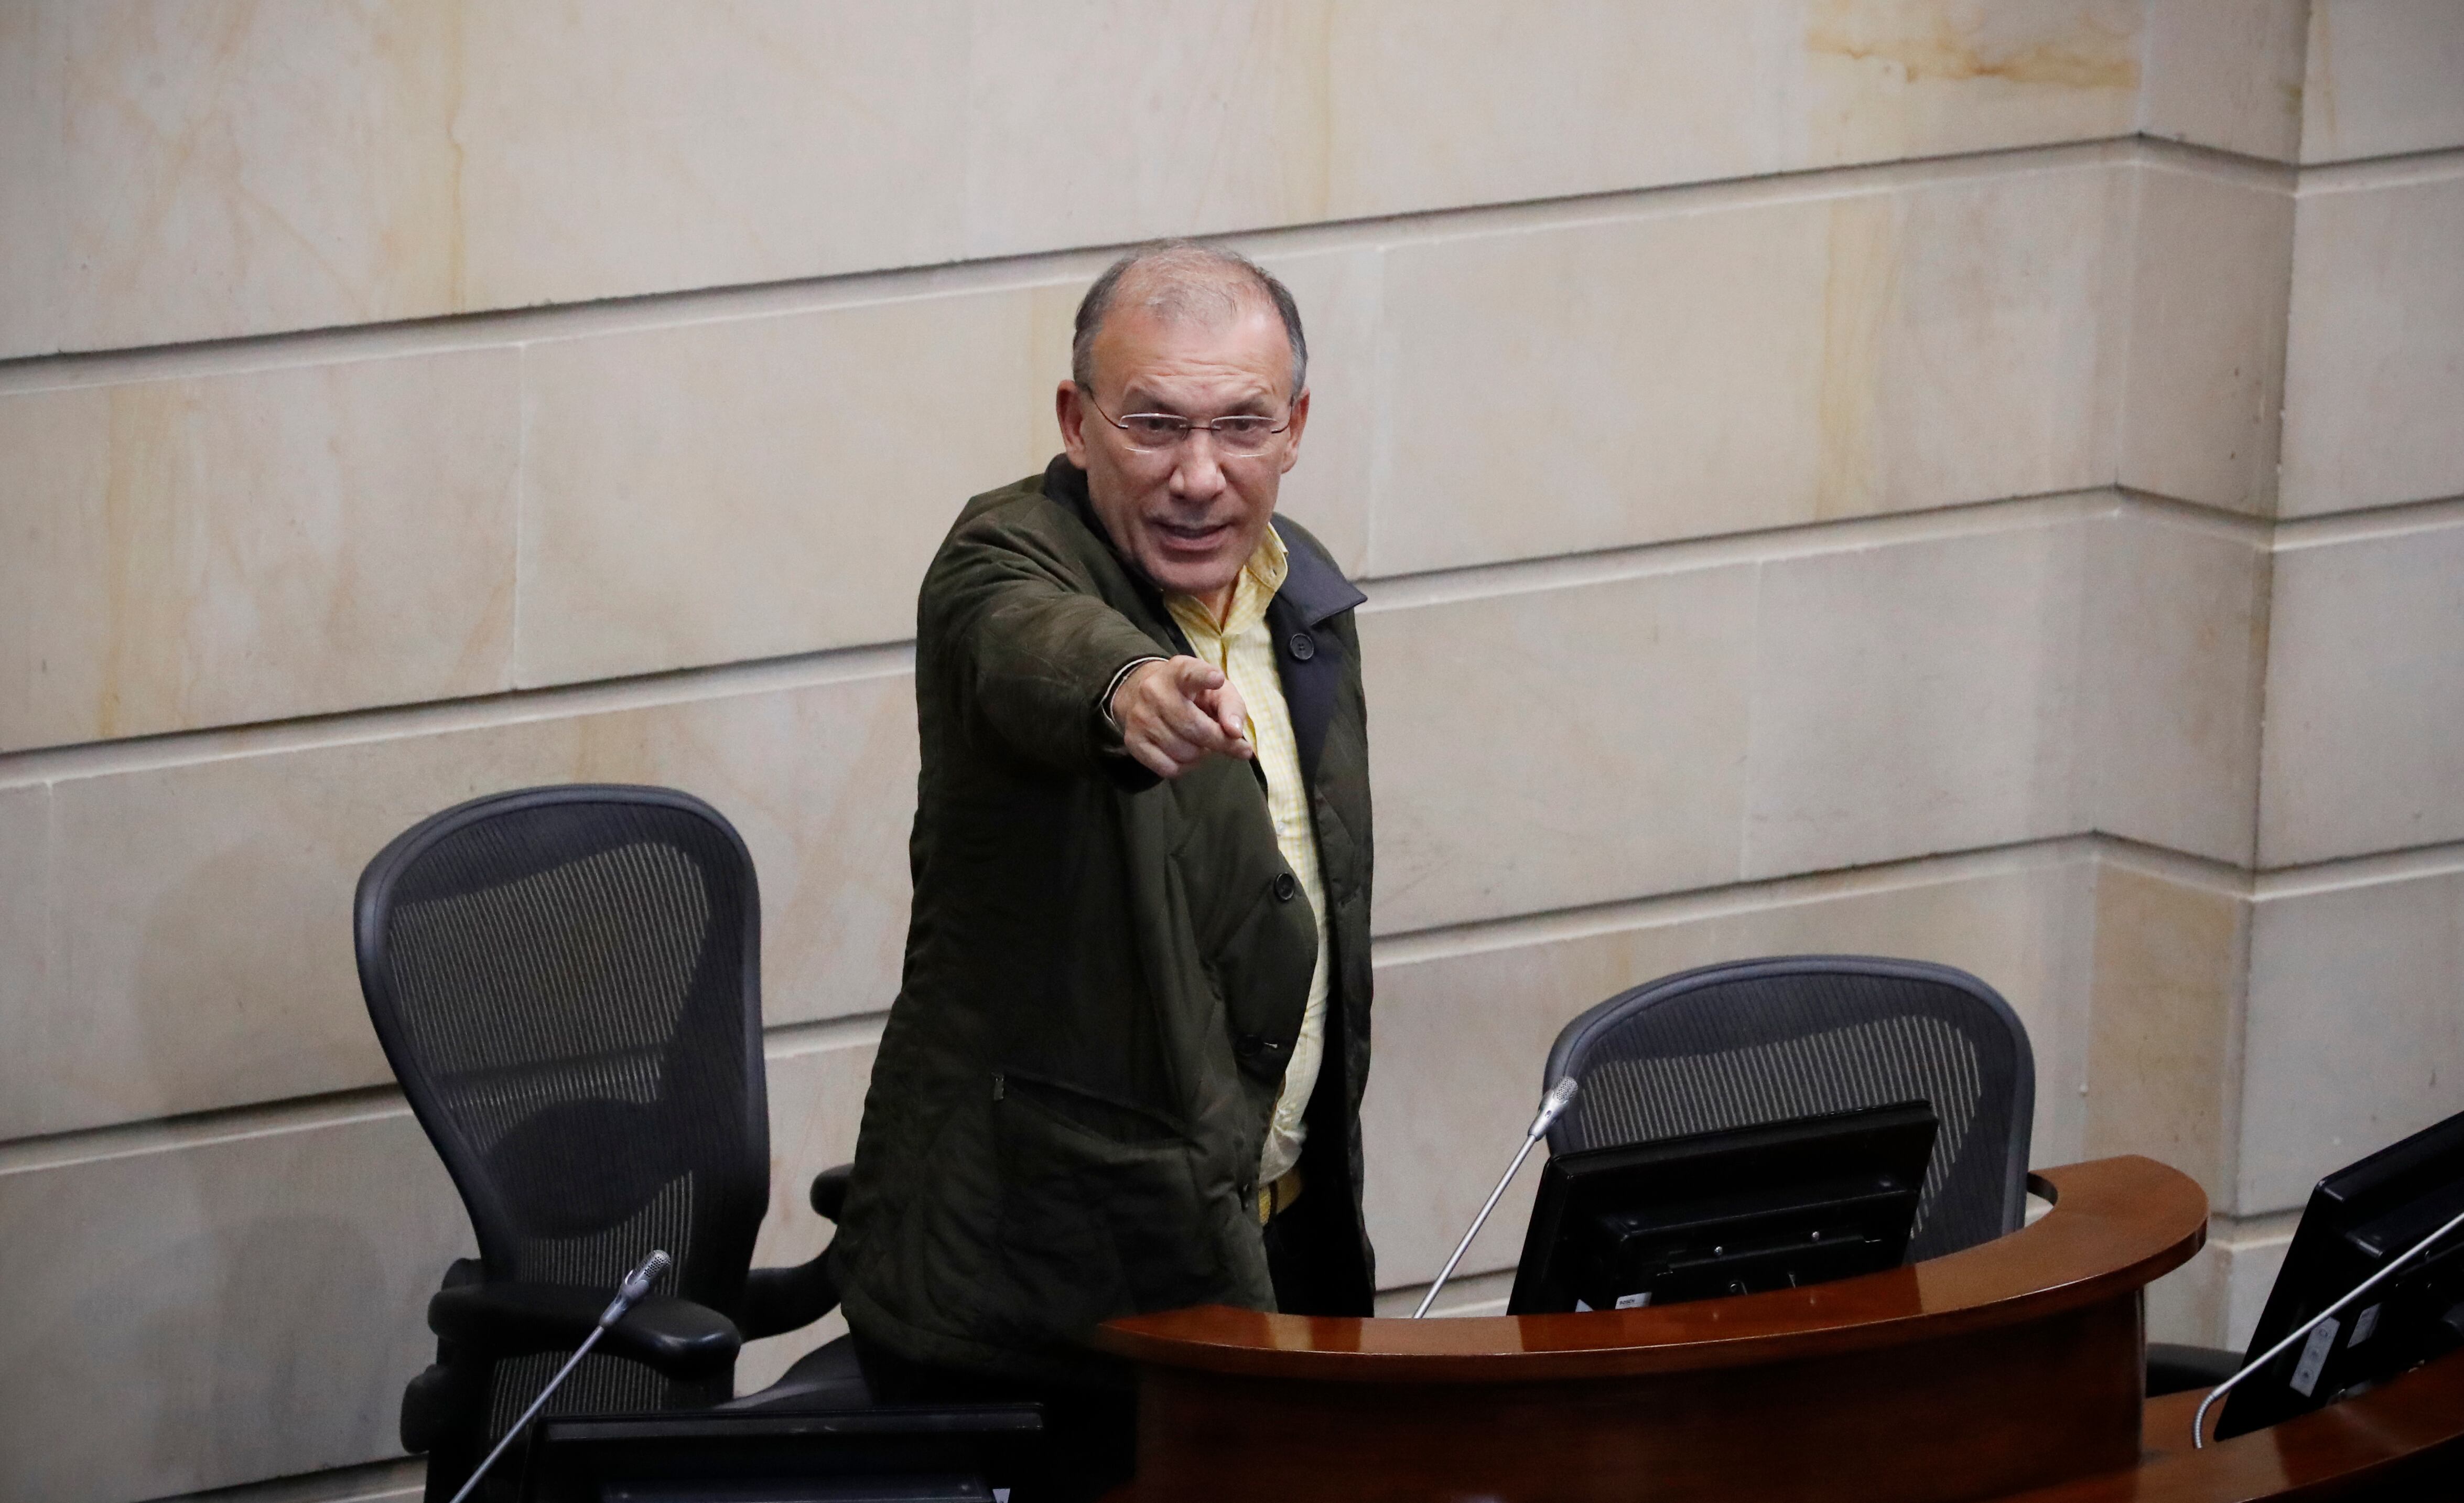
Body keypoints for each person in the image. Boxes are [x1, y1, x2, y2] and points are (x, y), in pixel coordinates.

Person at [829, 241, 1376, 1499]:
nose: (1199, 476)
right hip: (1038, 1302)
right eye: (1154, 426)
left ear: (1294, 427)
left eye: (1241, 426)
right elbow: (1033, 647)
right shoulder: (1004, 557)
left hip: (1257, 1245)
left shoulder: (1298, 596)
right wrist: (1128, 687)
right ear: (1077, 423)